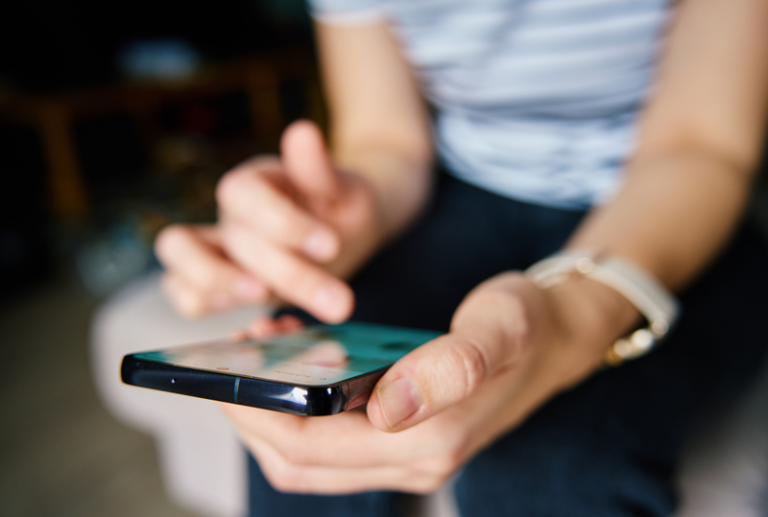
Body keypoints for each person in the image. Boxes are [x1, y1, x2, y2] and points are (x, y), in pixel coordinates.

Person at [153, 0, 768, 515]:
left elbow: (700, 146)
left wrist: (576, 316)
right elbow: (385, 137)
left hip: (676, 202)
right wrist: (330, 218)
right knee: (301, 384)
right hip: (459, 190)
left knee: (553, 469)